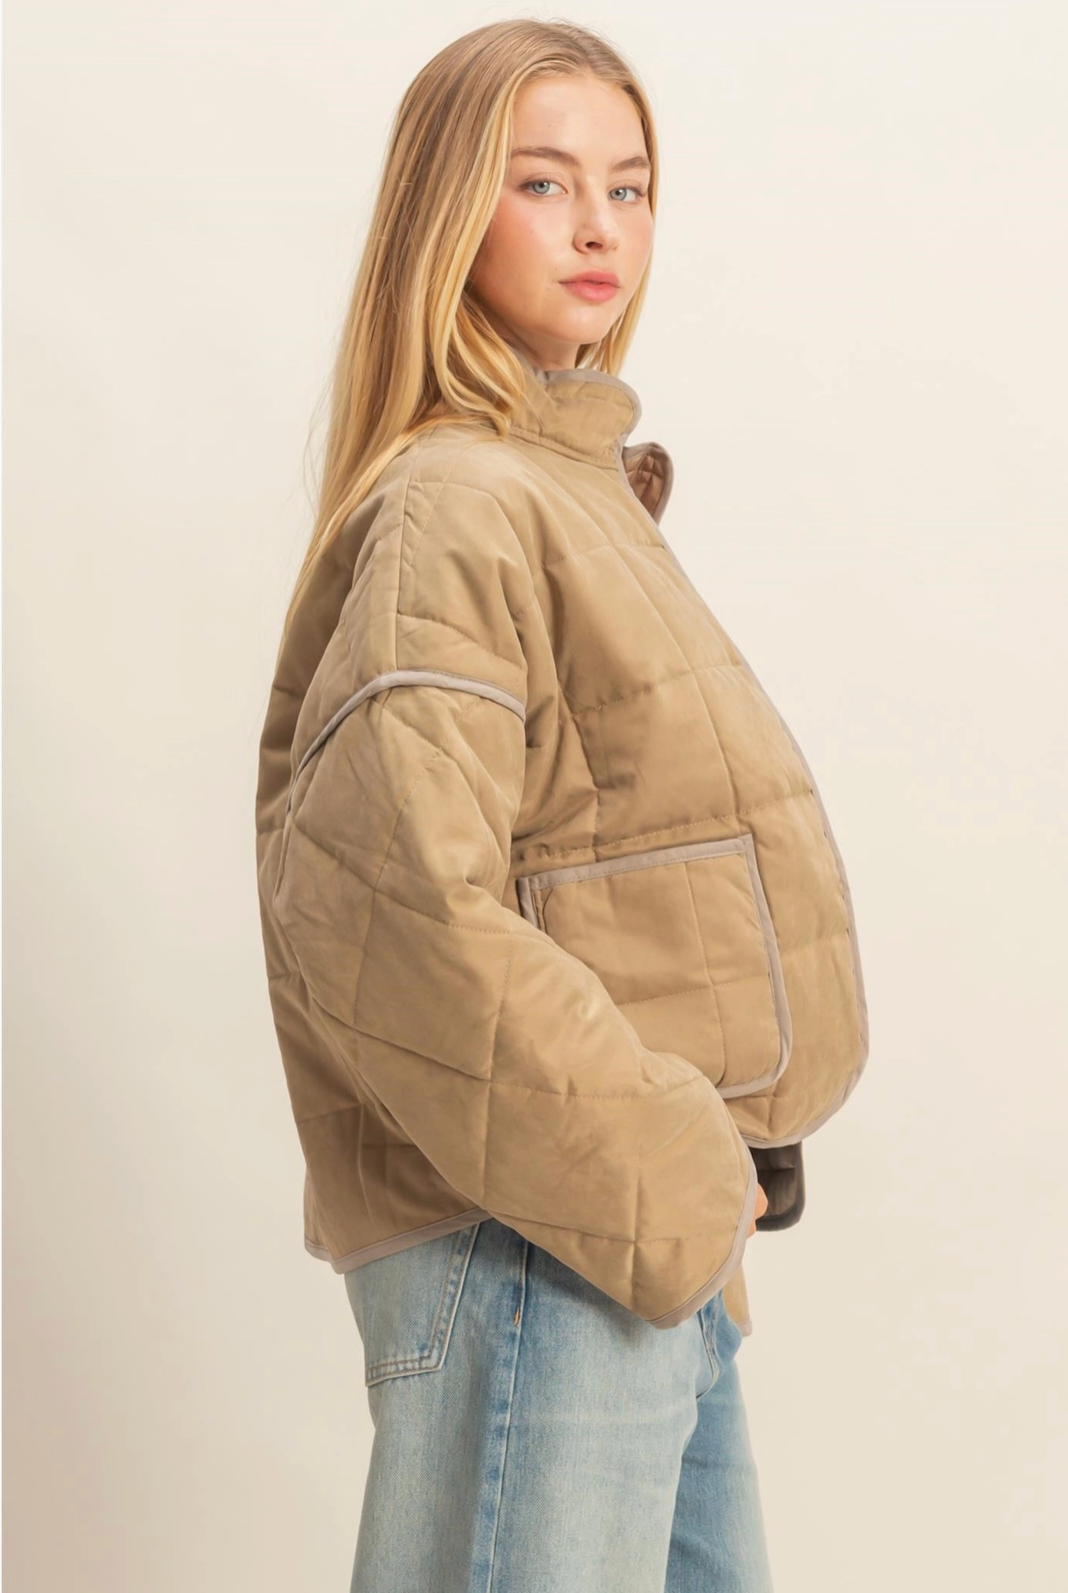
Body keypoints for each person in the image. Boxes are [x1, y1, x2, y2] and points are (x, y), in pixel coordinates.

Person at [253, 18, 869, 1592]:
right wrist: (668, 1164)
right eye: (543, 182)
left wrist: (691, 1199)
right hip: (539, 1233)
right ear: (448, 213)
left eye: (630, 184)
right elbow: (401, 920)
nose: (601, 226)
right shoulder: (464, 498)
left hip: (631, 1254)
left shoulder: (567, 491)